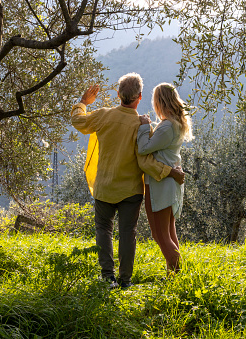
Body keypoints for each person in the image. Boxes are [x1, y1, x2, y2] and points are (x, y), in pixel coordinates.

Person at [70, 73, 185, 289]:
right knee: (127, 233)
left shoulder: (104, 115)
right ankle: (125, 280)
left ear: (118, 95)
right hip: (131, 191)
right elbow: (146, 162)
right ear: (139, 97)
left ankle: (107, 277)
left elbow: (78, 121)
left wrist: (83, 103)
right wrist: (169, 171)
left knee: (103, 229)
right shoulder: (142, 125)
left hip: (104, 186)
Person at [137, 83, 193, 275]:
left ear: (159, 102)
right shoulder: (175, 124)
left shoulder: (168, 125)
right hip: (167, 181)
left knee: (161, 234)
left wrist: (145, 127)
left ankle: (177, 274)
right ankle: (174, 274)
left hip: (161, 182)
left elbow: (144, 148)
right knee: (167, 232)